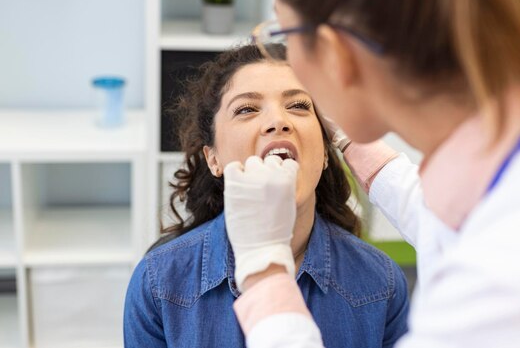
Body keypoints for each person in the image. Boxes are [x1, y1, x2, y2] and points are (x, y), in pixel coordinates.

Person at [220, 0, 520, 347]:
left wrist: (264, 270)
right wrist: (354, 139)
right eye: (247, 109)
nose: (278, 120)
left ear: (336, 54)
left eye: (285, 35)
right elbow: (449, 220)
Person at [123, 44, 410, 348]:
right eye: (246, 109)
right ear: (213, 159)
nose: (278, 121)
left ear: (326, 153)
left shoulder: (383, 284)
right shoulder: (158, 283)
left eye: (299, 105)